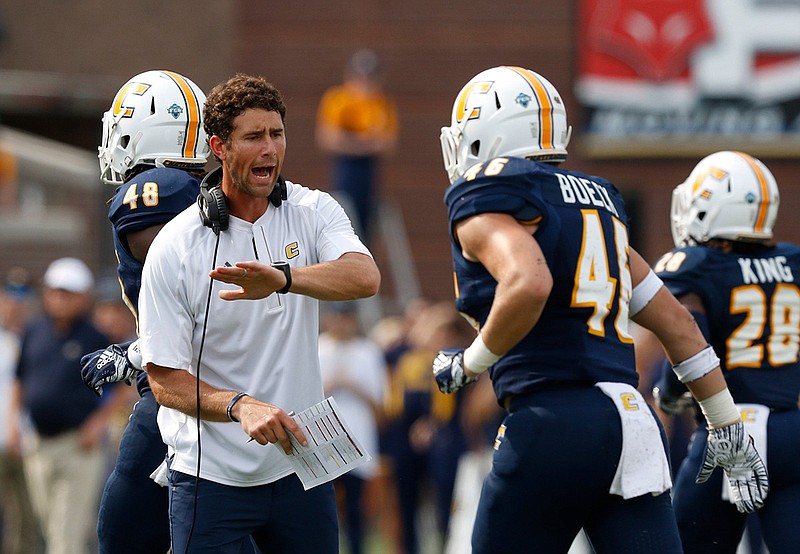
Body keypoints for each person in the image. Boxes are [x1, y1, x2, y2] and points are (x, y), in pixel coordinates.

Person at [431, 66, 769, 554]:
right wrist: (727, 428)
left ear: (485, 137)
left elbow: (529, 282)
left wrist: (469, 362)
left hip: (551, 419)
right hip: (632, 422)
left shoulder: (489, 195)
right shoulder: (599, 205)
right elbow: (679, 325)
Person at [138, 73, 381, 553]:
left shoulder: (314, 209)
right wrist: (240, 405)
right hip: (209, 476)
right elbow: (165, 380)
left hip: (302, 467)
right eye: (253, 137)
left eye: (277, 134)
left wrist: (284, 277)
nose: (270, 148)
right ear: (219, 147)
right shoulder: (177, 245)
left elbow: (365, 277)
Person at [78, 69, 211, 554]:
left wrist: (136, 353)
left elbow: (194, 294)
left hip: (178, 389)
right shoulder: (200, 191)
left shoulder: (156, 190)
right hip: (212, 384)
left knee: (124, 533)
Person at [651, 150, 800, 554]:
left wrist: (670, 391)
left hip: (729, 433)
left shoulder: (697, 264)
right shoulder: (792, 261)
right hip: (791, 430)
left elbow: (688, 335)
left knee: (686, 547)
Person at [10, 257, 124, 554]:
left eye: (68, 293)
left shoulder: (95, 338)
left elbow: (122, 385)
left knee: (65, 537)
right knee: (50, 526)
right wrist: (14, 424)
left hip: (79, 445)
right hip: (39, 445)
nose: (59, 299)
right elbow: (20, 380)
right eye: (55, 291)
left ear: (84, 297)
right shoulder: (33, 332)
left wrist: (98, 423)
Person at [318, 300, 388, 554]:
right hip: (323, 443)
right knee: (323, 509)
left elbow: (381, 406)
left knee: (357, 511)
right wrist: (332, 385)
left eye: (346, 317)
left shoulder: (369, 352)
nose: (342, 323)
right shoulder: (318, 349)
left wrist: (354, 387)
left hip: (359, 442)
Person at [315, 48, 399, 244]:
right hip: (346, 171)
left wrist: (352, 142)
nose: (365, 82)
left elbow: (388, 143)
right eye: (360, 75)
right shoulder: (339, 99)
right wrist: (367, 143)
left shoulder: (381, 103)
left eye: (370, 76)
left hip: (370, 174)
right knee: (343, 218)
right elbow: (329, 139)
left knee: (366, 229)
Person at [0, 268, 40, 554]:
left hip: (28, 442)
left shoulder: (37, 340)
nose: (17, 303)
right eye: (12, 295)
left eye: (23, 297)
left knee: (26, 518)